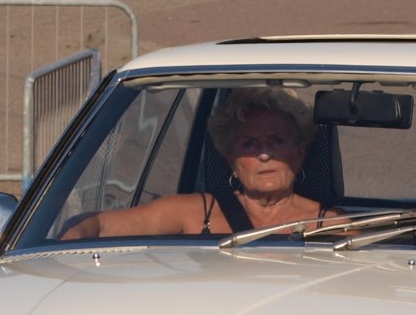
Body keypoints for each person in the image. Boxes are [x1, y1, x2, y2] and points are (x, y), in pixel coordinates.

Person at [62, 87, 336, 239]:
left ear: (299, 153)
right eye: (249, 144)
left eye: (277, 141)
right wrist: (75, 237)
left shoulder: (335, 225)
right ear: (231, 159)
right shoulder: (192, 212)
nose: (265, 154)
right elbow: (99, 225)